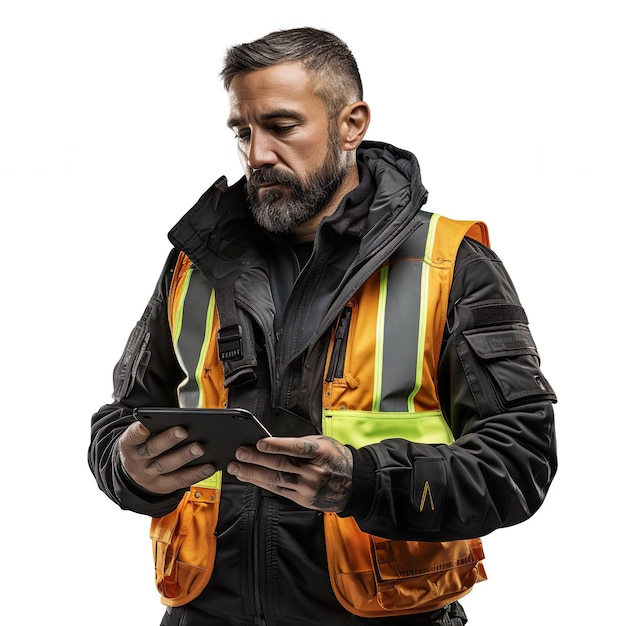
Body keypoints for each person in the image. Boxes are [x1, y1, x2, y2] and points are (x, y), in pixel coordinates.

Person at [88, 27, 557, 626]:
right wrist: (130, 471)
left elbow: (522, 461)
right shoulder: (194, 263)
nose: (256, 154)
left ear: (351, 123)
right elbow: (119, 421)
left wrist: (362, 482)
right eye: (242, 131)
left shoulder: (451, 262)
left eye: (282, 128)